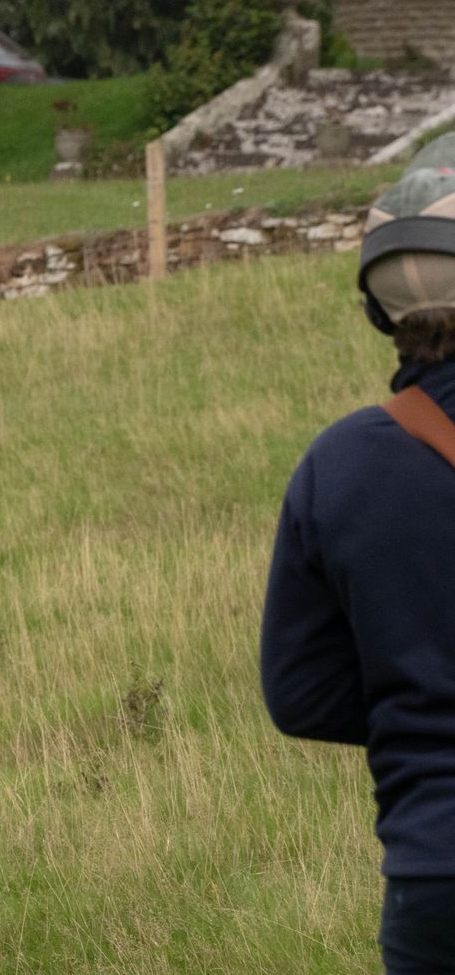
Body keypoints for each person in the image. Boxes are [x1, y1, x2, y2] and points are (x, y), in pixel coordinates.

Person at [263, 150, 455, 972]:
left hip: (431, 878)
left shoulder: (336, 463)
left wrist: (417, 706)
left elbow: (301, 695)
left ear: (380, 313)